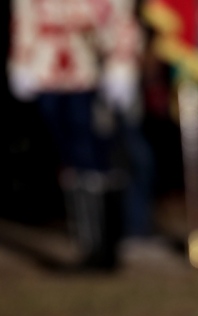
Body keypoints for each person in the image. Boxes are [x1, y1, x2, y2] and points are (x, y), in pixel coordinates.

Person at [8, 0, 142, 270]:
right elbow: (25, 12)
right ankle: (87, 244)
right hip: (46, 67)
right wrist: (20, 59)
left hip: (90, 68)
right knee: (68, 158)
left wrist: (121, 63)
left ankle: (105, 246)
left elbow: (120, 15)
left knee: (93, 155)